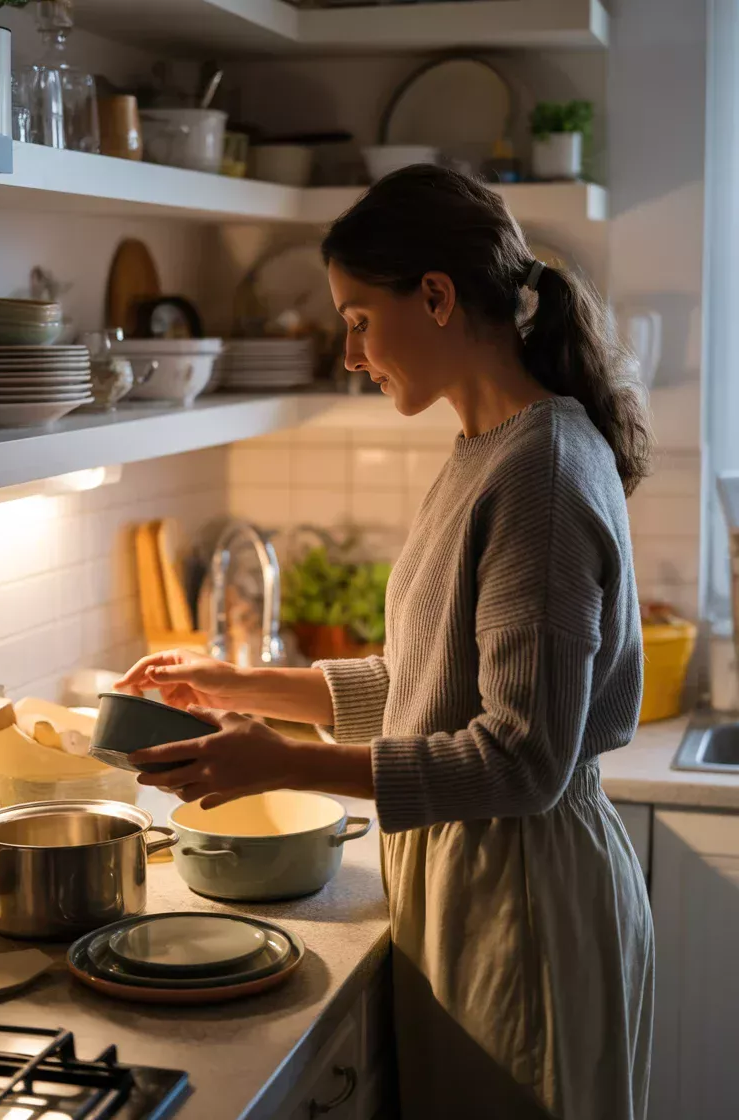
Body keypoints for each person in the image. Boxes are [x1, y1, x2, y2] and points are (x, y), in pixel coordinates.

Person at [116, 165, 654, 1120]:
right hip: (476, 880)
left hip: (520, 899)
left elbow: (522, 759)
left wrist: (287, 764)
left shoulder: (539, 472)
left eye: (360, 319)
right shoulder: (487, 449)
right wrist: (240, 683)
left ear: (437, 297)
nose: (351, 354)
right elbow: (426, 686)